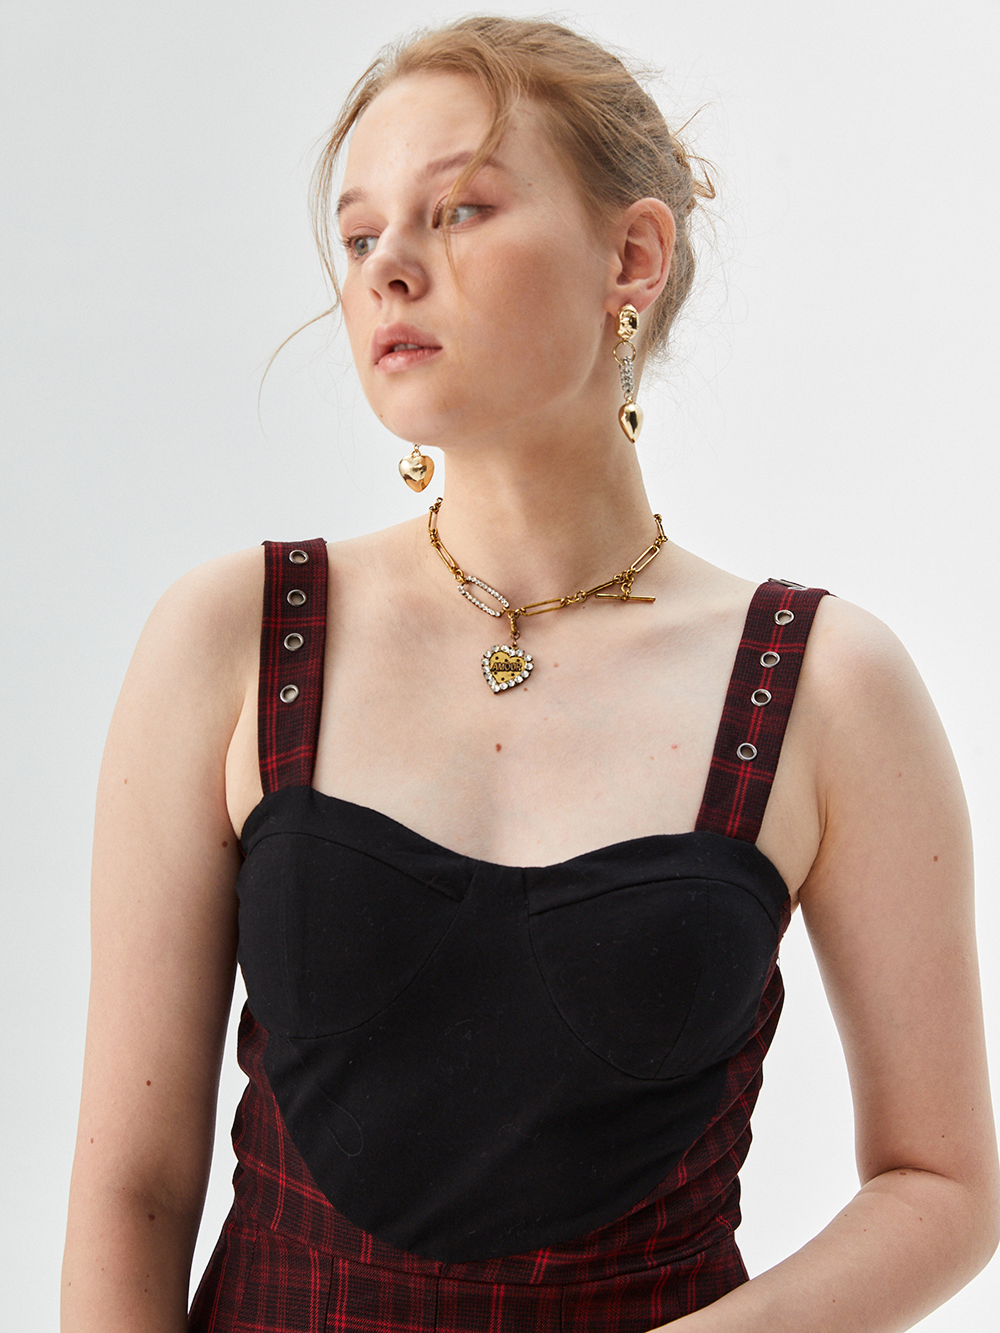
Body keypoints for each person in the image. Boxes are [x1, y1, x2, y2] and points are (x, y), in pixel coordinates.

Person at [61, 14, 998, 1333]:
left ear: (632, 256)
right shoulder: (239, 635)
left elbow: (943, 1183)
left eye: (459, 211)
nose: (390, 269)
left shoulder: (825, 688)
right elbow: (133, 1189)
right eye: (359, 235)